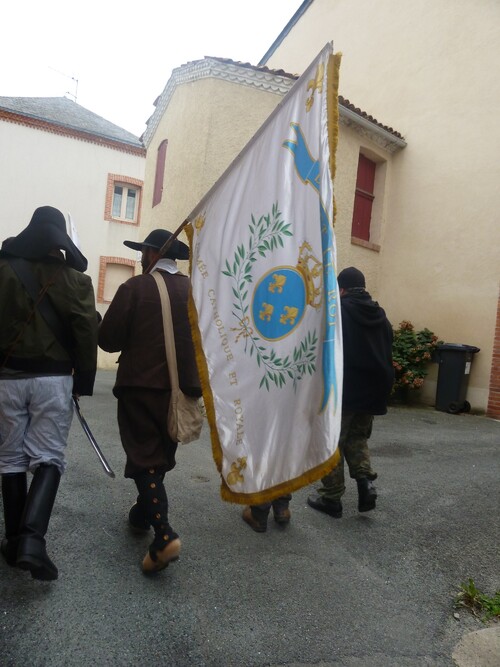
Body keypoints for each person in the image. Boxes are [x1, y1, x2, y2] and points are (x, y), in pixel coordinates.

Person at [0, 206, 98, 580]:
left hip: (6, 380)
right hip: (53, 382)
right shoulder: (75, 279)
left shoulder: (3, 271)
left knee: (9, 459)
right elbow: (87, 331)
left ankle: (13, 541)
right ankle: (31, 541)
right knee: (48, 458)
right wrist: (84, 382)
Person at [98, 229, 201, 574]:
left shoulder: (135, 288)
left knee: (145, 460)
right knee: (158, 460)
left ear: (152, 253)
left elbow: (108, 340)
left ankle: (163, 536)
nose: (141, 257)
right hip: (183, 391)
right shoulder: (194, 292)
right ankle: (142, 515)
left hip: (140, 388)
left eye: (144, 251)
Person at [308, 266, 393, 518]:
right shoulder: (380, 315)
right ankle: (366, 484)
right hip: (374, 390)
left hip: (345, 390)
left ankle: (331, 498)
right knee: (357, 438)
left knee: (332, 441)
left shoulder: (339, 313)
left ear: (341, 289)